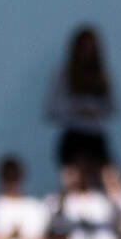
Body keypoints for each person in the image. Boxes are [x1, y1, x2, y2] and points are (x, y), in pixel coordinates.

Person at [47, 27, 116, 170]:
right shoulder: (65, 77)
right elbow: (53, 109)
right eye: (84, 47)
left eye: (91, 47)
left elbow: (111, 107)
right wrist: (77, 110)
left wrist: (94, 111)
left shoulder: (102, 77)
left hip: (96, 137)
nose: (87, 52)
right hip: (74, 137)